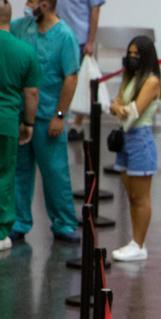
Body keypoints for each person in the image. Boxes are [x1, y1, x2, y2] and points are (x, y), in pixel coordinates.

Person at [12, 0, 80, 244]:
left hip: (49, 117)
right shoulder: (22, 28)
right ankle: (18, 222)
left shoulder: (64, 36)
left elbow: (70, 78)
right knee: (20, 171)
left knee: (55, 173)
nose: (28, 5)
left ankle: (64, 222)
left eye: (32, 1)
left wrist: (59, 116)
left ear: (46, 4)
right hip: (23, 116)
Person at [108, 35, 161, 262]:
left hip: (140, 139)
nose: (131, 58)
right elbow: (116, 104)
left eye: (136, 55)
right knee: (131, 195)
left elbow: (133, 111)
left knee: (141, 197)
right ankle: (135, 241)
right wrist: (119, 108)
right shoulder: (130, 78)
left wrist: (119, 108)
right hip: (126, 138)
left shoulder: (151, 81)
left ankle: (139, 244)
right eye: (129, 54)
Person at [0, 1, 39, 252]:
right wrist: (29, 123)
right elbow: (32, 93)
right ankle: (2, 231)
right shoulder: (24, 51)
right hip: (7, 122)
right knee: (5, 175)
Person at [55, 0, 100, 140]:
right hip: (58, 37)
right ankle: (61, 119)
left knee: (76, 83)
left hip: (79, 40)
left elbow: (95, 9)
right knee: (59, 83)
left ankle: (74, 124)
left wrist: (90, 41)